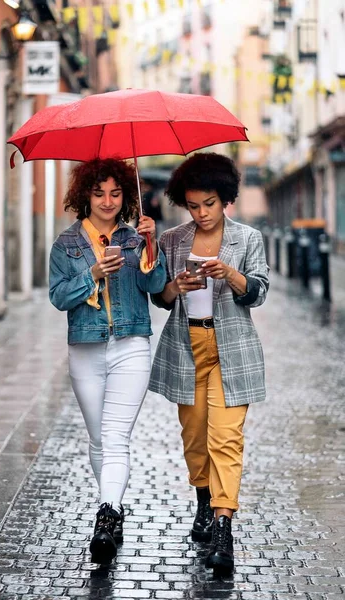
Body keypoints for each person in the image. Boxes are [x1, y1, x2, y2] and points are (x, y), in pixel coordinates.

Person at [149, 152, 269, 576]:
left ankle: (223, 526)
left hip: (232, 348)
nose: (201, 213)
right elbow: (160, 298)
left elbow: (258, 291)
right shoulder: (173, 240)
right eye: (194, 205)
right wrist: (175, 286)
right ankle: (203, 498)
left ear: (227, 200)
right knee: (195, 435)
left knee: (226, 438)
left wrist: (231, 275)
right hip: (187, 346)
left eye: (209, 204)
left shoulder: (248, 239)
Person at [49, 158, 166, 565]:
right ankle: (112, 511)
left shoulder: (135, 239)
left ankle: (108, 513)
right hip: (85, 348)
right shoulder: (66, 244)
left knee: (116, 437)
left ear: (126, 197)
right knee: (99, 439)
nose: (108, 201)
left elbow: (156, 287)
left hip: (131, 344)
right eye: (99, 193)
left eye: (116, 193)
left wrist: (154, 244)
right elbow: (58, 297)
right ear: (85, 195)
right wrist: (93, 274)